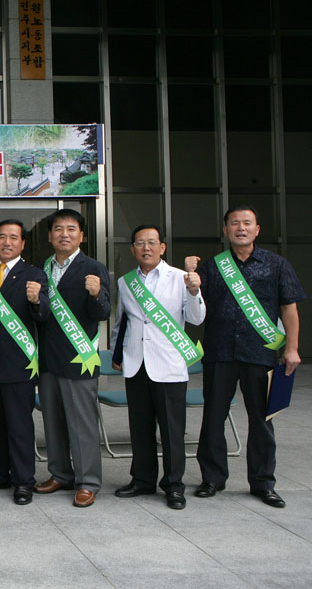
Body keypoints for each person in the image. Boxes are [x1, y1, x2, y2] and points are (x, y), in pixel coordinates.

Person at [190, 206, 304, 508]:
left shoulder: (276, 265)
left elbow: (289, 308)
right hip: (219, 352)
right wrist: (191, 277)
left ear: (257, 229)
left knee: (262, 420)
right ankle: (212, 478)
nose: (241, 228)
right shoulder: (213, 266)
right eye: (234, 223)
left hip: (261, 353)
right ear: (225, 230)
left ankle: (263, 482)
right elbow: (193, 302)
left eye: (247, 223)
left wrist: (291, 348)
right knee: (213, 417)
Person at [111, 225, 206, 510]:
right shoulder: (126, 282)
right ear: (133, 249)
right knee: (139, 428)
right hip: (136, 363)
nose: (146, 248)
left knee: (172, 430)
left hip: (168, 365)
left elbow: (197, 318)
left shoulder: (180, 278)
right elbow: (122, 321)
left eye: (152, 242)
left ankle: (174, 485)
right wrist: (119, 353)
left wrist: (194, 290)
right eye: (140, 243)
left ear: (162, 247)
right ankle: (142, 479)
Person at [35, 208, 110, 508]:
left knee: (82, 424)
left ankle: (87, 481)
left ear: (82, 235)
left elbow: (103, 312)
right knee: (52, 421)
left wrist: (95, 295)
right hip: (49, 359)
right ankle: (60, 473)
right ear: (50, 235)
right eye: (58, 229)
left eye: (70, 229)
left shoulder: (93, 267)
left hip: (80, 358)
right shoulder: (44, 269)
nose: (64, 234)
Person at [0, 220, 49, 505]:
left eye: (13, 238)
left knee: (19, 424)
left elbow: (44, 315)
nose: (7, 242)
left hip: (19, 361)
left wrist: (35, 301)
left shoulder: (34, 274)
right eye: (1, 237)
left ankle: (23, 481)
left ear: (22, 243)